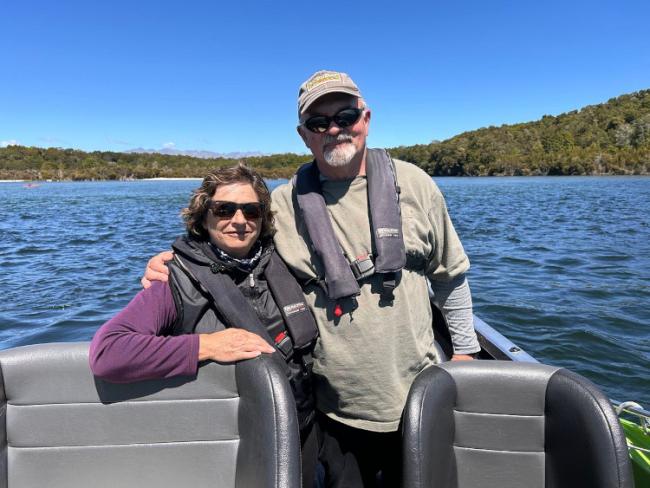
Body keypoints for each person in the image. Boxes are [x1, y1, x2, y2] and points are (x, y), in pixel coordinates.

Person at [143, 71, 481, 487]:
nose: (334, 129)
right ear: (304, 135)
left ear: (366, 119)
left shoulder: (416, 185)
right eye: (319, 123)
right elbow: (226, 245)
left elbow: (450, 275)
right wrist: (167, 264)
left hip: (421, 395)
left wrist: (464, 355)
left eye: (345, 116)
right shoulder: (282, 206)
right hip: (332, 411)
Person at [90, 163, 320, 487]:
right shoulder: (174, 281)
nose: (238, 221)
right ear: (203, 215)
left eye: (251, 211)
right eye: (224, 209)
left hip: (301, 428)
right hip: (230, 441)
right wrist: (207, 346)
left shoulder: (284, 262)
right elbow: (109, 351)